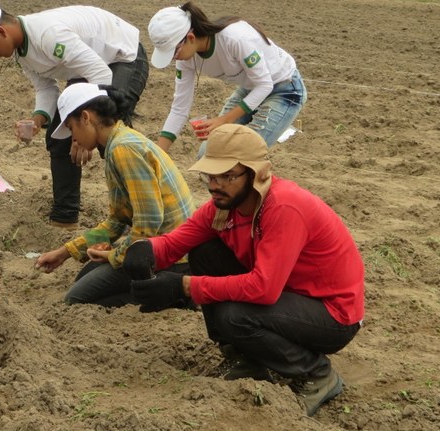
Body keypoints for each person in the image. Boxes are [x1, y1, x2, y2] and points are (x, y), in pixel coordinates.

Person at [122, 124, 364, 416]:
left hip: (332, 314)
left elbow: (263, 289)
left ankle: (317, 374)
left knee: (236, 316)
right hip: (289, 298)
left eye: (227, 176)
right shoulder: (225, 205)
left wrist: (183, 286)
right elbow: (177, 242)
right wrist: (145, 250)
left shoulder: (284, 207)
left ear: (255, 174)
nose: (215, 185)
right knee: (205, 252)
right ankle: (245, 359)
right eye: (211, 175)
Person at [0, 4, 150, 229]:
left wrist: (84, 134)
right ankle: (65, 217)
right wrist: (37, 121)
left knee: (108, 136)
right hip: (84, 69)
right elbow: (46, 89)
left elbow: (101, 74)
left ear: (2, 32)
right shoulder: (21, 52)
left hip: (122, 58)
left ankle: (141, 215)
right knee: (58, 137)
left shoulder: (48, 35)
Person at [35, 83, 195, 309]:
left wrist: (115, 255)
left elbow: (149, 223)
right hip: (161, 248)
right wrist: (66, 252)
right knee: (86, 277)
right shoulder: (119, 142)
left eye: (72, 129)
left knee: (76, 299)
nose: (74, 139)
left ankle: (172, 295)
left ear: (86, 117)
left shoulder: (123, 149)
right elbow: (117, 220)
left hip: (171, 256)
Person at [147, 2, 307, 154]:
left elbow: (265, 85)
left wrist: (223, 120)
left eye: (173, 52)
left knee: (241, 154)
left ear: (190, 38)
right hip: (251, 88)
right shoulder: (186, 60)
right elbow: (179, 108)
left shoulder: (235, 39)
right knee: (208, 155)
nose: (173, 59)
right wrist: (158, 154)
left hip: (284, 88)